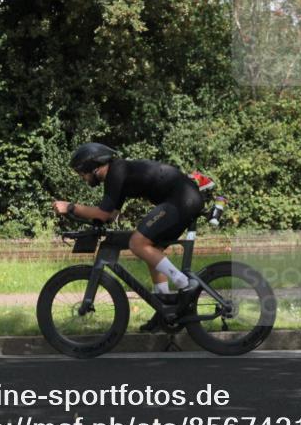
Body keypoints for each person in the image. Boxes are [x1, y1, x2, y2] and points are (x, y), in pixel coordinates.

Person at [51, 142, 204, 332]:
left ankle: (183, 283)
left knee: (137, 242)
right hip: (183, 198)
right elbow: (111, 215)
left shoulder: (117, 171)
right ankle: (165, 307)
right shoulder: (118, 174)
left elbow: (103, 213)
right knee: (151, 249)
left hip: (182, 199)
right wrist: (87, 219)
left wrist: (71, 207)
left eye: (81, 172)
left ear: (93, 166)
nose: (82, 177)